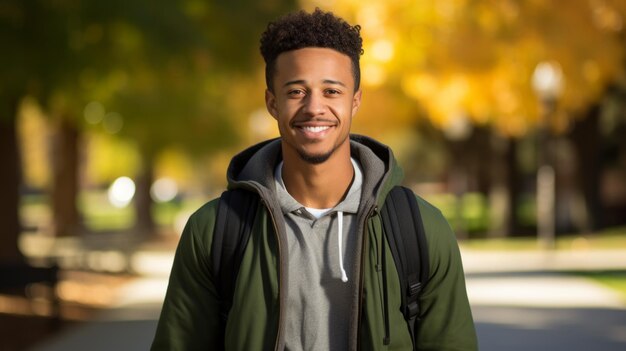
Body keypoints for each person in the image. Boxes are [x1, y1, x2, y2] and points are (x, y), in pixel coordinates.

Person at [152, 8, 477, 351]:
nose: (314, 108)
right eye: (296, 92)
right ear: (272, 103)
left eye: (332, 91)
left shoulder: (421, 230)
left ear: (355, 102)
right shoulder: (215, 231)